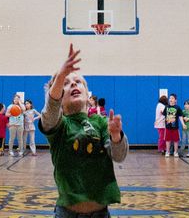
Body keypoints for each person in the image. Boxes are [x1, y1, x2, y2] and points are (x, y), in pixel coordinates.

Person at [41, 44, 127, 217]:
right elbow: (50, 112)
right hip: (67, 213)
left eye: (78, 82)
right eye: (65, 83)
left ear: (88, 96)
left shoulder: (101, 122)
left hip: (100, 213)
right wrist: (60, 75)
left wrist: (117, 137)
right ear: (58, 96)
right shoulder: (60, 125)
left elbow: (118, 156)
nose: (73, 83)